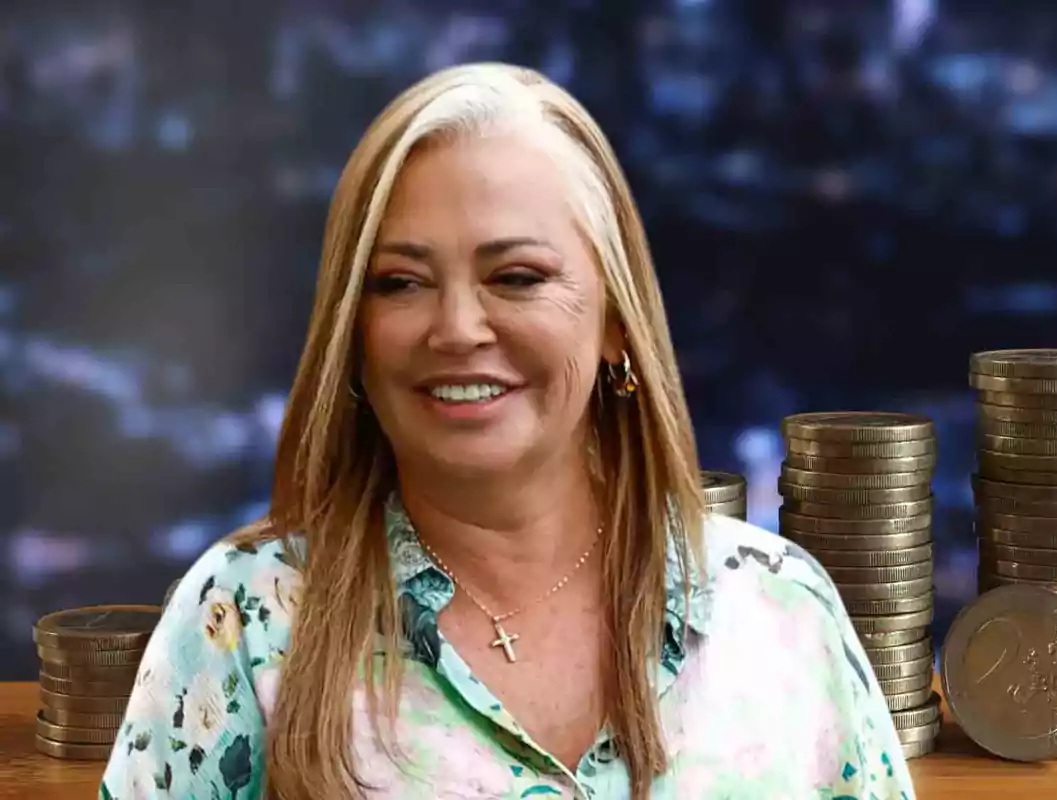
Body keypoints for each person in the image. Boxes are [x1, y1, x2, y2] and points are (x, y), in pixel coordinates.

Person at [99, 62, 916, 800]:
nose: (456, 327)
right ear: (352, 328)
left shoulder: (781, 609)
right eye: (400, 282)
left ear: (615, 323)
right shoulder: (241, 619)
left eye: (517, 276)